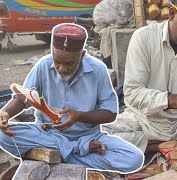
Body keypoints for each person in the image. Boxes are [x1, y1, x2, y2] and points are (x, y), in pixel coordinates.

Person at [0, 23, 144, 173]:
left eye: (69, 63)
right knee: (2, 136)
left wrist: (79, 116)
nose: (62, 69)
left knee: (133, 159)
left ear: (82, 56)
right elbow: (23, 98)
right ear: (52, 52)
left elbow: (110, 113)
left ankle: (59, 156)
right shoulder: (43, 65)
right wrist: (5, 113)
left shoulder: (98, 70)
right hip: (48, 134)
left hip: (87, 136)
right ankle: (78, 151)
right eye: (57, 61)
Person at [104, 0, 177, 164]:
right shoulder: (143, 38)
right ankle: (155, 146)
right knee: (101, 136)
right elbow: (131, 94)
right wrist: (172, 100)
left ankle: (164, 147)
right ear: (172, 14)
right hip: (146, 122)